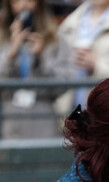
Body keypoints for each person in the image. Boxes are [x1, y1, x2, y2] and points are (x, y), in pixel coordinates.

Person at [0, 0, 74, 138]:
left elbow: (65, 84)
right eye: (16, 1)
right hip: (9, 119)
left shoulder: (57, 39)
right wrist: (11, 53)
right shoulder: (3, 39)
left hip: (44, 117)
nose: (23, 5)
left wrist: (43, 58)